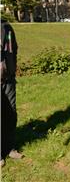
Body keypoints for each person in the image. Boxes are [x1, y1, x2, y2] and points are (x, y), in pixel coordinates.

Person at [1, 18, 23, 167]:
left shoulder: (7, 27)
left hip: (8, 80)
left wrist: (11, 68)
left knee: (10, 114)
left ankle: (9, 148)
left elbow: (13, 48)